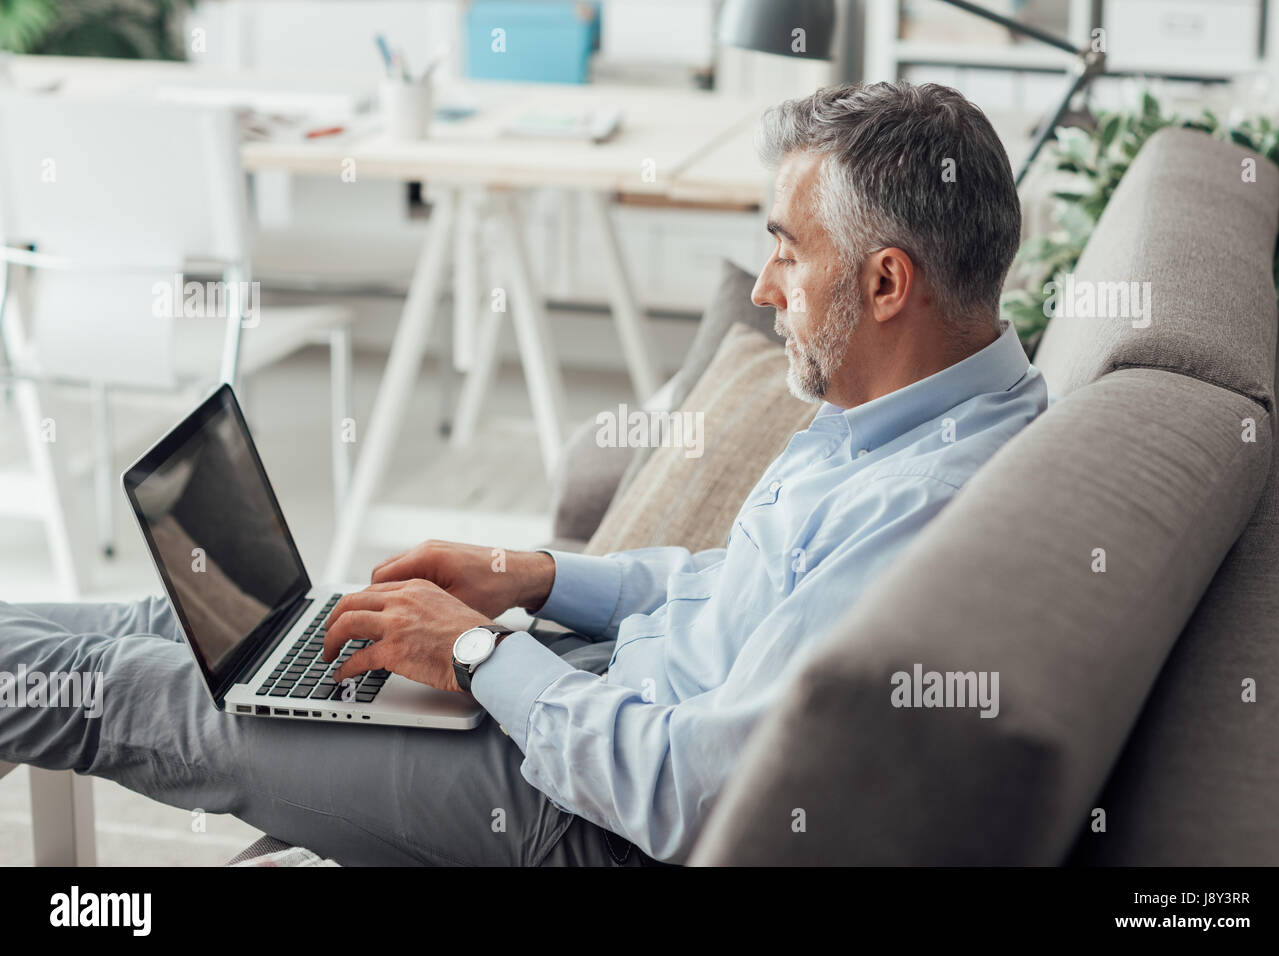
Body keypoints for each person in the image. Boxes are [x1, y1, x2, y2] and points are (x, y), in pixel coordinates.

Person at [0, 81, 1047, 866]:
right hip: (585, 697)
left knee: (129, 694)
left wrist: (474, 652)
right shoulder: (921, 417)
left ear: (885, 281)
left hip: (586, 800)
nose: (767, 286)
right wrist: (535, 576)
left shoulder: (926, 513)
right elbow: (734, 585)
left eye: (785, 248)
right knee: (174, 627)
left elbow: (687, 791)